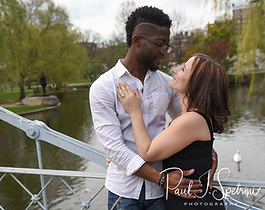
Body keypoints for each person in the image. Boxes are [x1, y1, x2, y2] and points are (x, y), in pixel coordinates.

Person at [89, 6, 214, 210]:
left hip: (163, 195)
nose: (165, 52)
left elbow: (190, 123)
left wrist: (208, 151)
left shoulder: (169, 84)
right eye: (160, 44)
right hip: (125, 192)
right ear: (137, 41)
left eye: (167, 45)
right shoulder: (103, 87)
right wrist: (162, 179)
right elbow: (114, 148)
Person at [117, 53, 230, 209]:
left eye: (183, 69)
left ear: (195, 83)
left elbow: (147, 152)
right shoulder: (189, 117)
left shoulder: (191, 119)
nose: (175, 70)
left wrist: (135, 111)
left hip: (192, 203)